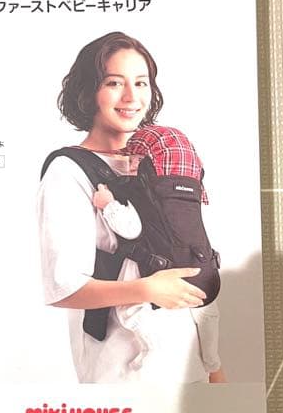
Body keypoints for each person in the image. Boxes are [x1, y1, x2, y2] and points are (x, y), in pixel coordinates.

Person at [37, 32, 211, 384]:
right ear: (89, 92)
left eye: (141, 83)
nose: (132, 97)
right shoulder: (68, 172)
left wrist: (213, 367)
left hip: (190, 368)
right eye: (114, 83)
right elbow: (63, 286)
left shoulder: (165, 162)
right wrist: (146, 289)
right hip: (122, 376)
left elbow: (192, 250)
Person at [90, 124, 226, 383]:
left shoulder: (138, 193)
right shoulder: (189, 193)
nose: (131, 165)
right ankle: (212, 360)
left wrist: (106, 204)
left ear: (147, 167)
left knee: (129, 310)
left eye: (135, 160)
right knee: (208, 314)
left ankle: (149, 348)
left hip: (157, 268)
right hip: (204, 270)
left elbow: (131, 229)